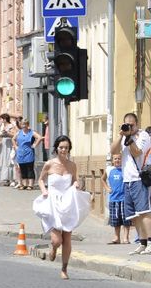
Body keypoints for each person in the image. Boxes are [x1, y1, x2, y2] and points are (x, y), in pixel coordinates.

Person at [33, 135, 91, 279]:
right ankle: (53, 248)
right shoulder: (49, 164)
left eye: (66, 148)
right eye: (61, 147)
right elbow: (40, 180)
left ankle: (64, 269)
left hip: (67, 202)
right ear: (56, 148)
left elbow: (75, 180)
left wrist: (76, 184)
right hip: (52, 202)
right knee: (57, 240)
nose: (64, 150)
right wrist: (44, 190)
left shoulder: (72, 165)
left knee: (67, 238)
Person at [110, 112, 151, 255]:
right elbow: (113, 151)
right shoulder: (124, 137)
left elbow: (137, 153)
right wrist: (121, 135)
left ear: (137, 124)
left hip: (139, 179)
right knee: (134, 215)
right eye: (126, 124)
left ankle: (150, 242)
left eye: (131, 125)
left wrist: (129, 138)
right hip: (127, 180)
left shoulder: (143, 136)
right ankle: (142, 242)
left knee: (144, 212)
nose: (129, 127)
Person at [101, 153, 131, 245]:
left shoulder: (125, 169)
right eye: (115, 159)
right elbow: (102, 179)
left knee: (126, 219)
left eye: (119, 159)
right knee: (115, 219)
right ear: (112, 160)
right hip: (113, 198)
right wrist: (107, 188)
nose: (117, 160)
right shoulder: (109, 170)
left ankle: (126, 238)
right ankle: (117, 237)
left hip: (124, 198)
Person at [12, 119, 43, 190]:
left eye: (25, 124)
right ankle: (24, 184)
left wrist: (35, 144)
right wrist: (16, 146)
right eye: (22, 124)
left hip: (29, 152)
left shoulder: (31, 132)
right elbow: (13, 139)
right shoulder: (19, 132)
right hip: (20, 152)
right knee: (22, 168)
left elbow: (39, 137)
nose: (24, 126)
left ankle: (30, 184)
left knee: (29, 168)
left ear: (28, 125)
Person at [0, 114, 15, 186]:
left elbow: (14, 135)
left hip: (9, 143)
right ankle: (3, 178)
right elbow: (0, 135)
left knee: (8, 160)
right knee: (2, 160)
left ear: (5, 119)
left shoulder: (11, 126)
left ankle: (11, 178)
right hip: (2, 144)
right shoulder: (1, 126)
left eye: (1, 119)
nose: (0, 120)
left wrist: (7, 133)